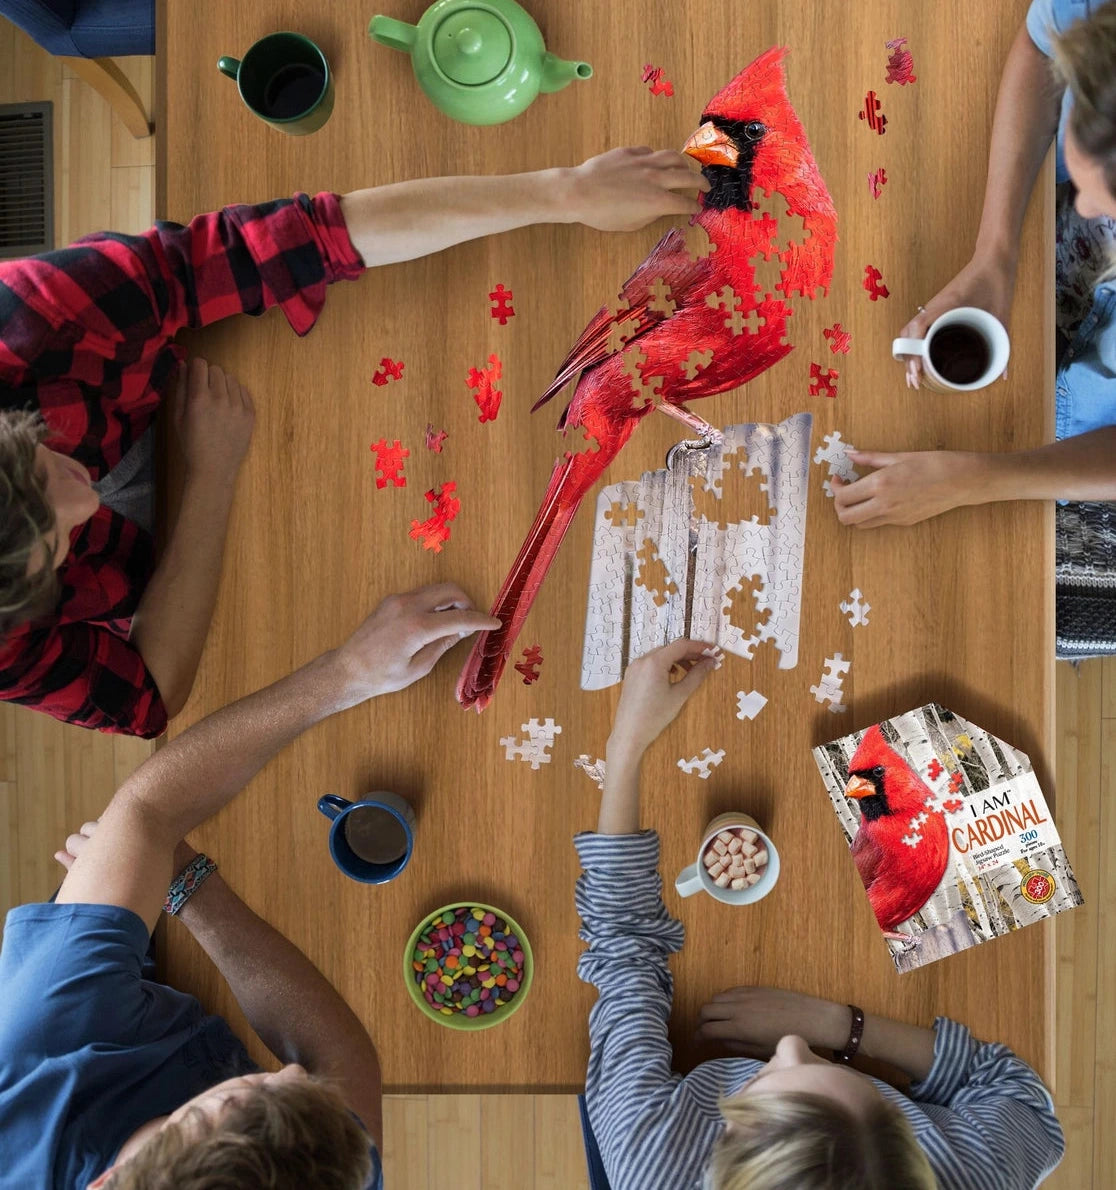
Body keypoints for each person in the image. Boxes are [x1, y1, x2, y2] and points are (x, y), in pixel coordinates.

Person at [0, 147, 707, 737]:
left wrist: (566, 191)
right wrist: (211, 475)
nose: (83, 498)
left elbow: (299, 242)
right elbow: (148, 696)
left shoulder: (31, 320)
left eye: (45, 464)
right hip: (206, 543)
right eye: (56, 549)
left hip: (207, 383)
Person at [0, 581, 500, 1189]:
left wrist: (348, 673)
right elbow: (343, 1065)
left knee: (112, 852)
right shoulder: (311, 1166)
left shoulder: (46, 1039)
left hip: (82, 1025)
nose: (294, 1076)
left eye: (246, 1097)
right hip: (149, 1018)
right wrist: (186, 885)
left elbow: (148, 811)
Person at [575, 638, 1065, 1189]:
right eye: (874, 1100)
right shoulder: (964, 1174)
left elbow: (623, 955)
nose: (789, 1045)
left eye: (767, 1084)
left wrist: (626, 747)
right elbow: (1024, 1105)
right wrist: (842, 1030)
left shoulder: (653, 1160)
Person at [832, 0, 1116, 529]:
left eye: (1106, 201)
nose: (1083, 208)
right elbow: (1040, 47)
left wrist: (979, 480)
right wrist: (995, 254)